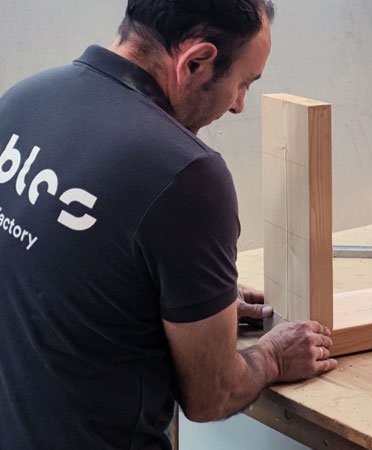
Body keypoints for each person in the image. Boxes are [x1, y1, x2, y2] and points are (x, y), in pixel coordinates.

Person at [0, 1, 337, 449]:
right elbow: (210, 396)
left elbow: (60, 266)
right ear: (196, 62)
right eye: (243, 84)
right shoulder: (186, 174)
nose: (238, 105)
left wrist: (189, 301)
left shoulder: (25, 99)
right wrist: (274, 356)